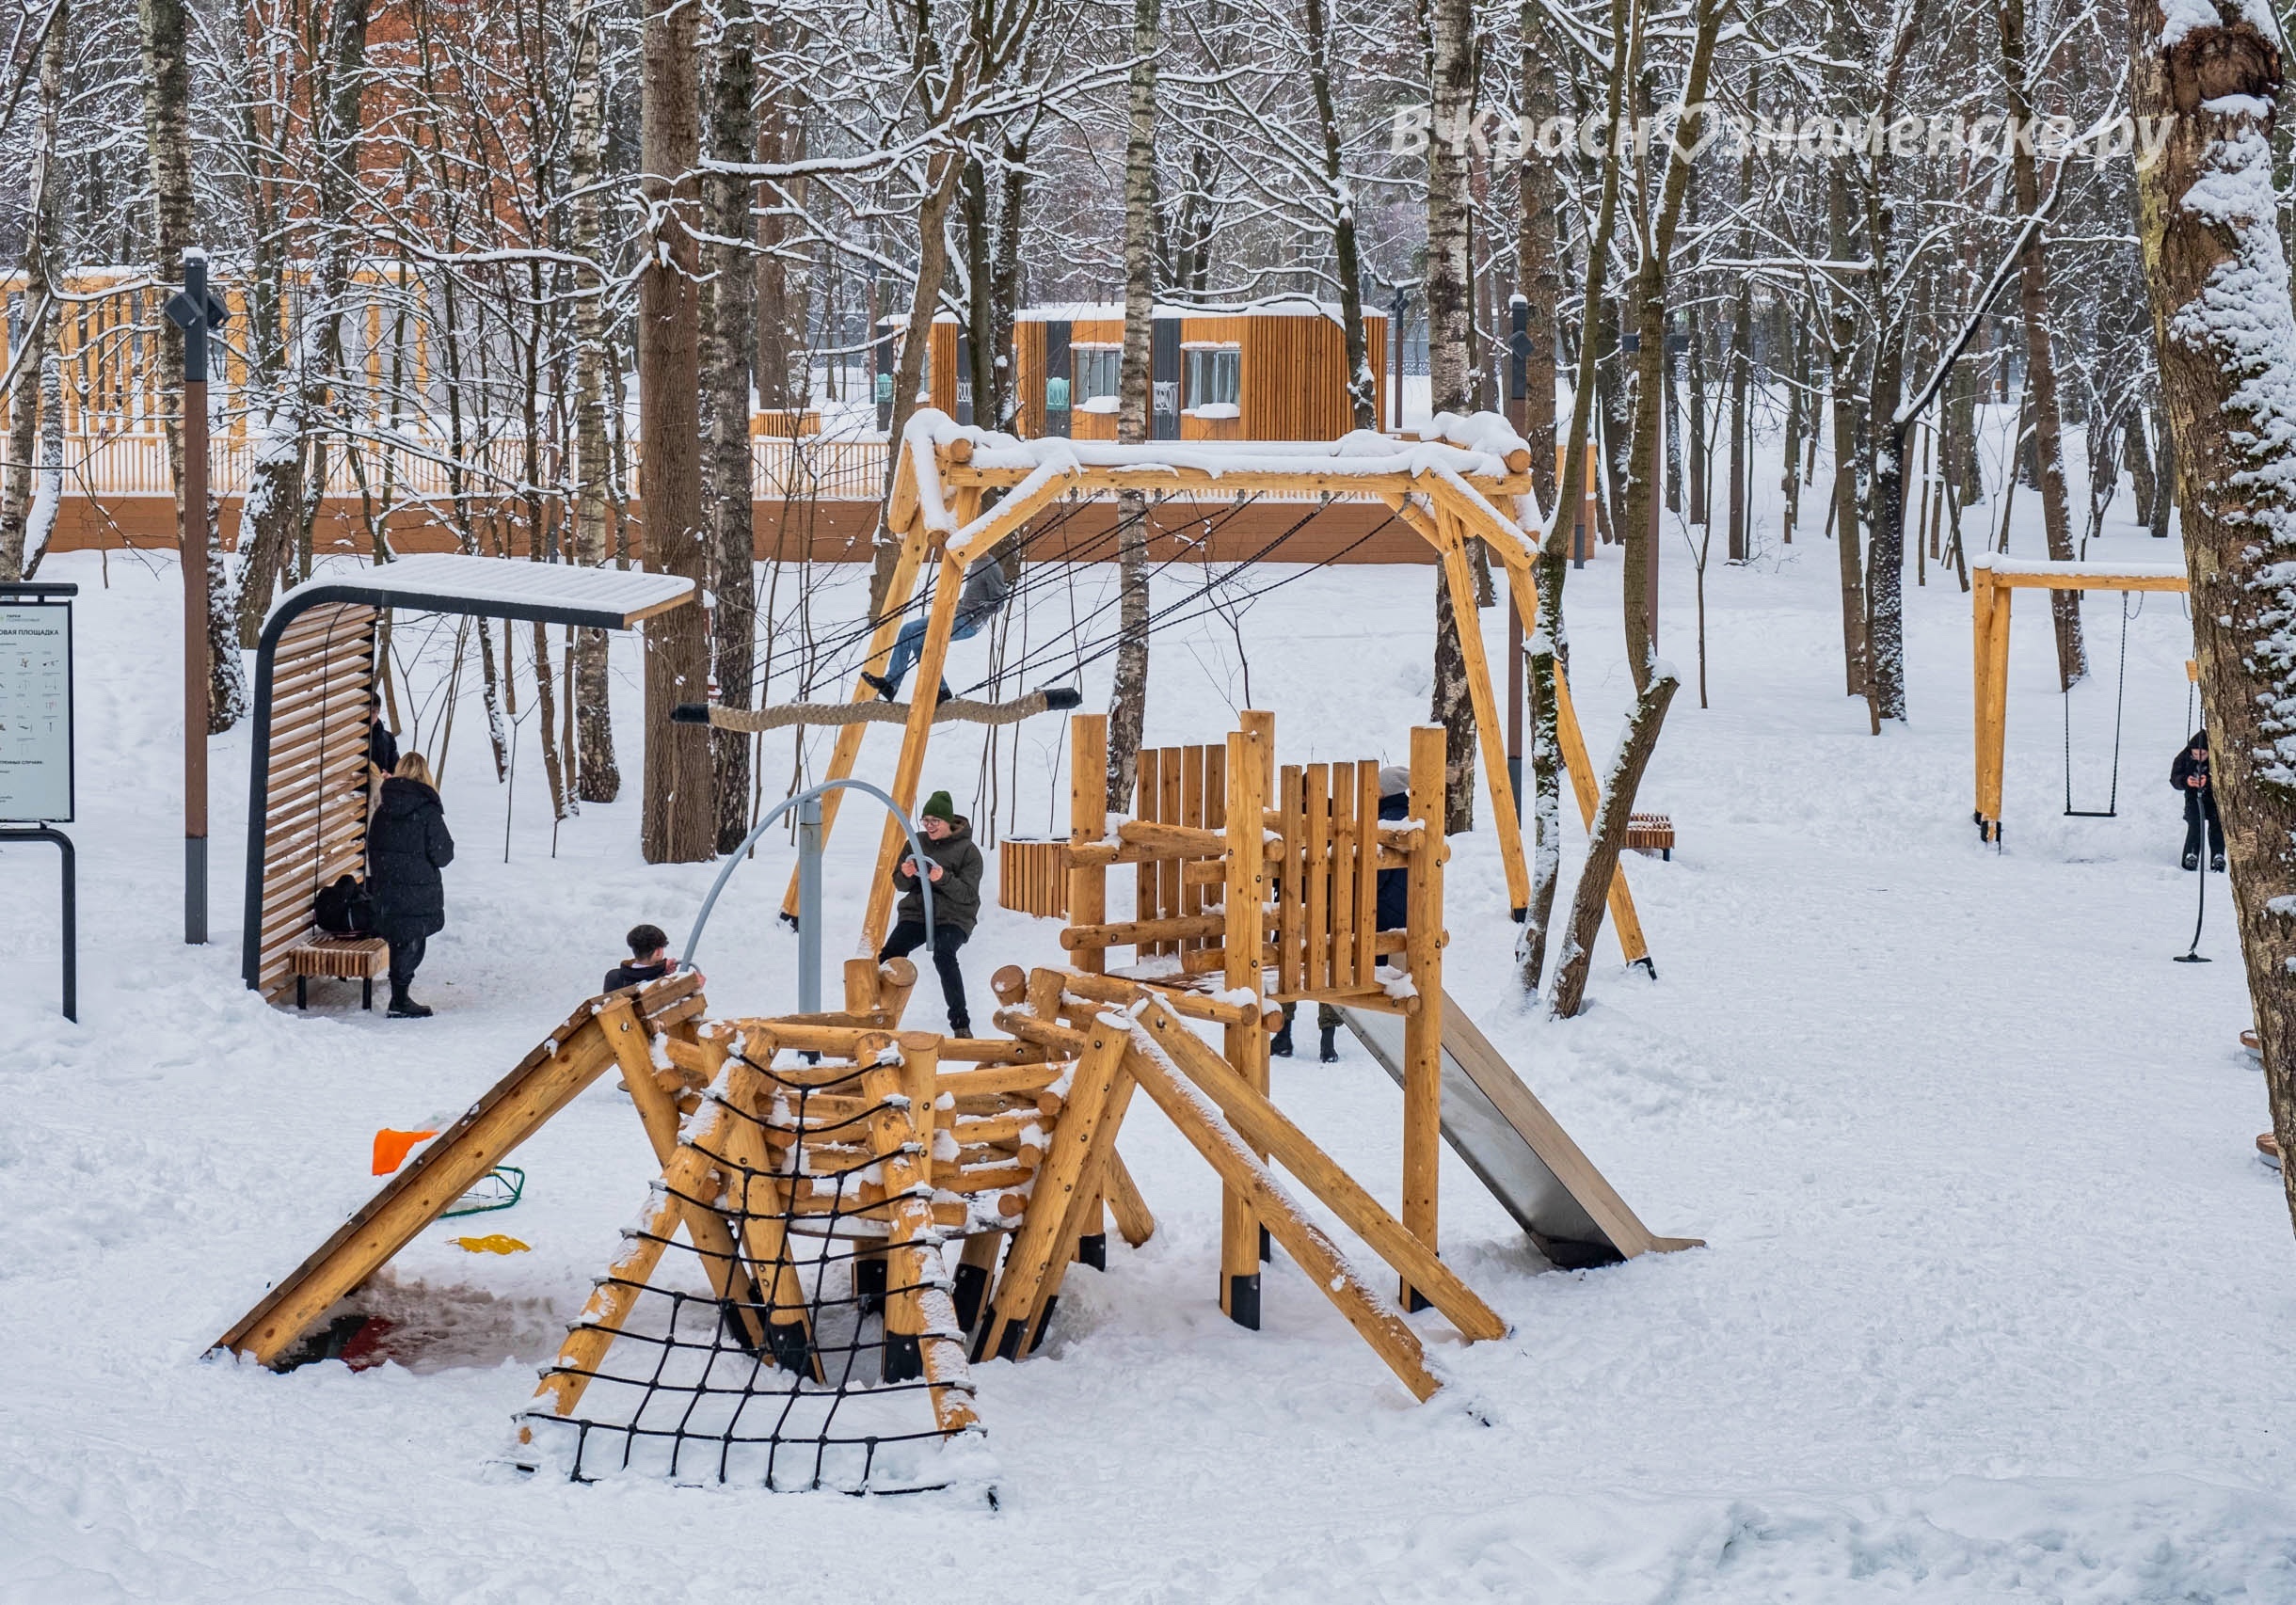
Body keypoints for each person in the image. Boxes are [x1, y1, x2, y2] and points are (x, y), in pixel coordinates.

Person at [1273, 764, 1412, 1064]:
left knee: (1300, 967)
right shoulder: (1343, 817)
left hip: (1312, 903)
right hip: (1321, 902)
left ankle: (1292, 1033)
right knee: (1320, 968)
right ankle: (1321, 1038)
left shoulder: (1311, 819)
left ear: (1307, 795)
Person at [880, 789, 984, 1036]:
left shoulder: (968, 851)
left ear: (948, 822)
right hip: (917, 913)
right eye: (925, 821)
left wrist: (943, 878)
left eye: (935, 821)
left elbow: (969, 895)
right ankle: (873, 1009)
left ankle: (960, 1023)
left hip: (953, 916)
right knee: (891, 953)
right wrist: (905, 874)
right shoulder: (915, 842)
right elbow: (900, 884)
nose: (929, 826)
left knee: (944, 954)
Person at [367, 752, 454, 1017]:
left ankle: (400, 998)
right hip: (418, 891)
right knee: (412, 941)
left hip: (388, 888)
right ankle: (400, 1000)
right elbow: (443, 854)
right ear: (425, 774)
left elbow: (373, 846)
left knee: (398, 939)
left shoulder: (383, 809)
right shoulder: (428, 811)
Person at [862, 555, 1013, 703]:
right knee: (908, 630)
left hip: (970, 621)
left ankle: (942, 690)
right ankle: (891, 684)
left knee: (920, 640)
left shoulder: (991, 567)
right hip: (956, 613)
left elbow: (1000, 600)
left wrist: (989, 607)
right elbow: (970, 596)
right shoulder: (975, 562)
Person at [2172, 729, 2224, 872]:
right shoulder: (2184, 757)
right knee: (2195, 825)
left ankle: (2218, 856)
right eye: (2195, 754)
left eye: (2203, 754)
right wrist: (2186, 781)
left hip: (2214, 799)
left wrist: (2208, 782)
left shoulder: (2218, 759)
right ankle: (2191, 855)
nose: (2199, 757)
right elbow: (2174, 778)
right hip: (2193, 798)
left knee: (2217, 825)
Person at [602, 923, 704, 994]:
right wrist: (695, 987)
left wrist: (661, 970)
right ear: (658, 951)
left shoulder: (612, 977)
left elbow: (639, 974)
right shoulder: (664, 987)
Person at [367, 692, 399, 778]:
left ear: (379, 711)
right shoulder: (350, 740)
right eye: (366, 711)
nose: (369, 715)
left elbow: (397, 770)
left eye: (373, 711)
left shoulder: (389, 738)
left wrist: (390, 776)